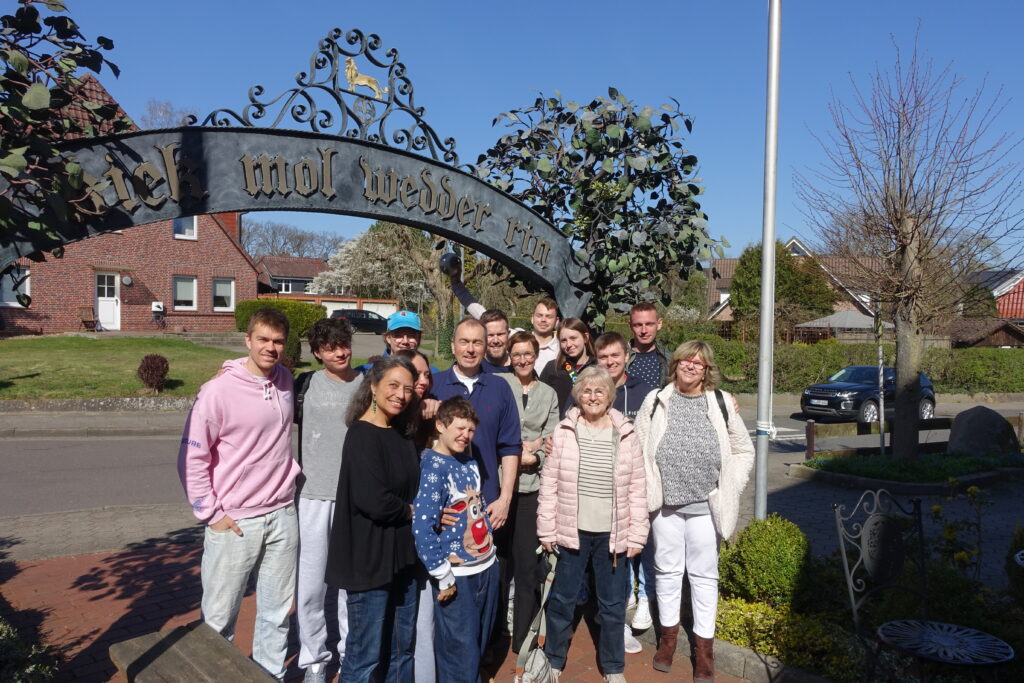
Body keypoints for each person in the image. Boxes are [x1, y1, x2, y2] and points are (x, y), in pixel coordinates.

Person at [178, 307, 300, 680]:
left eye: (278, 341)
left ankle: (270, 676)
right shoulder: (217, 391)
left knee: (277, 615)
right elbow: (191, 457)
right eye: (262, 339)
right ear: (247, 340)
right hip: (235, 523)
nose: (270, 348)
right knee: (218, 620)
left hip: (282, 514)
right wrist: (211, 514)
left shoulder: (286, 380)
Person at [634, 341, 754, 679]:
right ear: (675, 364)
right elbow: (638, 448)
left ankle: (704, 651)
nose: (690, 366)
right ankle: (668, 640)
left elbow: (744, 450)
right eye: (685, 360)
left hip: (706, 506)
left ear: (706, 370)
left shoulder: (721, 402)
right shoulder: (655, 401)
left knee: (703, 576)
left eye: (698, 363)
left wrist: (731, 486)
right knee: (667, 572)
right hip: (665, 506)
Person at [536, 366, 648, 683]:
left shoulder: (625, 432)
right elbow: (549, 483)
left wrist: (637, 535)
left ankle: (613, 667)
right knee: (562, 600)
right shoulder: (564, 431)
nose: (593, 397)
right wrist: (546, 528)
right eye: (587, 391)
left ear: (610, 396)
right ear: (578, 395)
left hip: (613, 535)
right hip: (571, 531)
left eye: (600, 391)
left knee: (612, 605)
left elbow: (637, 487)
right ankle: (553, 660)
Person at [325, 355, 422, 683]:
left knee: (401, 650)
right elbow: (373, 499)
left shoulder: (401, 433)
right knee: (364, 656)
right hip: (369, 560)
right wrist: (410, 511)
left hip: (403, 558)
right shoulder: (361, 435)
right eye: (393, 385)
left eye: (407, 388)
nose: (401, 395)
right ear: (373, 387)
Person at [293, 318, 362, 683]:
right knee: (311, 587)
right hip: (313, 496)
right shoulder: (304, 384)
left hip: (355, 498)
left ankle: (351, 654)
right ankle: (315, 660)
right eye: (330, 347)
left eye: (343, 344)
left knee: (351, 585)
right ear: (318, 352)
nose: (340, 352)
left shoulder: (368, 384)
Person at [412, 397, 500, 683]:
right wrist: (442, 574)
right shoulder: (432, 467)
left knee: (478, 640)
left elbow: (478, 507)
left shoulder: (469, 461)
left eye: (471, 430)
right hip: (457, 574)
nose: (466, 435)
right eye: (460, 428)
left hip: (485, 564)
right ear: (440, 425)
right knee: (458, 649)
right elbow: (422, 527)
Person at [593, 331, 657, 641]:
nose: (609, 362)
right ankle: (625, 594)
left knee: (643, 541)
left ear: (626, 356)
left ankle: (645, 597)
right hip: (603, 484)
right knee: (616, 544)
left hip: (638, 481)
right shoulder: (591, 390)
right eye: (603, 357)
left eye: (615, 356)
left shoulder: (645, 392)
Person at [498, 331, 560, 653]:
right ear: (510, 356)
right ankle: (493, 633)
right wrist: (515, 451)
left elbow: (553, 439)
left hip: (530, 488)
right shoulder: (499, 385)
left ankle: (522, 638)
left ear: (536, 355)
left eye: (528, 354)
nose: (522, 359)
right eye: (517, 354)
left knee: (526, 566)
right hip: (498, 487)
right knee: (498, 564)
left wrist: (535, 457)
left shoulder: (548, 394)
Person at [429, 318, 521, 530]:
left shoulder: (500, 387)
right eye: (464, 342)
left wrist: (504, 500)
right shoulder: (434, 386)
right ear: (453, 346)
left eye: (477, 342)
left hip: (486, 503)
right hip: (441, 504)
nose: (470, 349)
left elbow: (510, 448)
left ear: (485, 347)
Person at [448, 271, 560, 374]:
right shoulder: (518, 338)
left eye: (549, 316)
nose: (543, 320)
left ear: (556, 321)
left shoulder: (561, 348)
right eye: (539, 315)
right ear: (532, 318)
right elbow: (478, 311)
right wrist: (456, 284)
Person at [539, 317, 596, 417]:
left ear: (585, 337)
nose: (568, 344)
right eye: (563, 340)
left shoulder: (598, 367)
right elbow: (539, 401)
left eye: (573, 338)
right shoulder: (553, 368)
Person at [625, 303, 671, 389]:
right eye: (638, 325)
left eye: (649, 324)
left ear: (659, 324)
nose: (644, 331)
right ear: (630, 326)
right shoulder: (618, 359)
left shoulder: (670, 360)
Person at [479, 309, 512, 373]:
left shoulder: (520, 366)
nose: (496, 341)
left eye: (500, 334)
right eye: (490, 335)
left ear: (508, 334)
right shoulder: (475, 368)